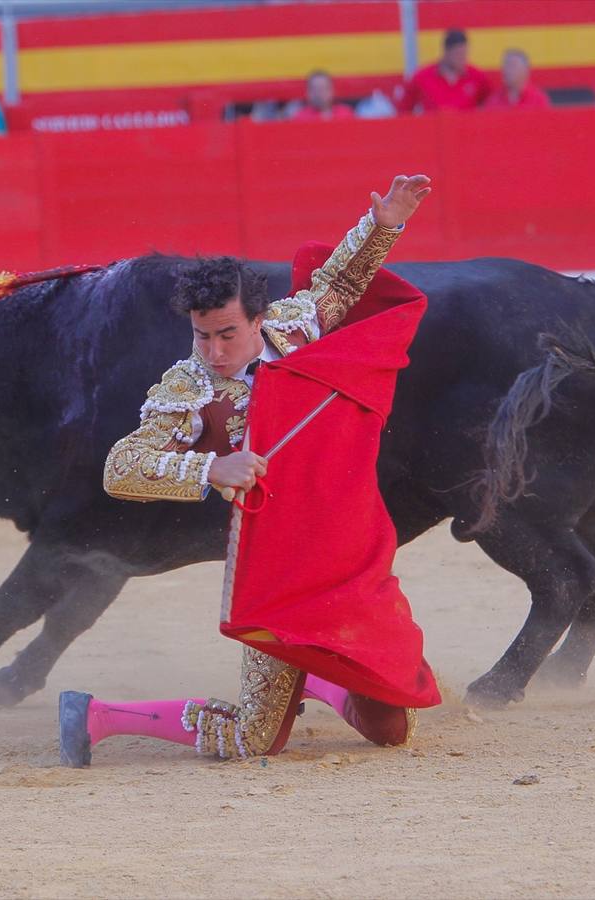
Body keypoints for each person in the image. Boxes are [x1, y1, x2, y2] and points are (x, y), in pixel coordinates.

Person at [58, 175, 442, 767]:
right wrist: (212, 466)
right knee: (253, 740)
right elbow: (121, 468)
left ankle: (314, 679)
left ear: (258, 319)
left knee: (393, 727)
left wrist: (385, 223)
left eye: (227, 334)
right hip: (277, 574)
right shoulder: (186, 389)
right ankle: (97, 715)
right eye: (201, 335)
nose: (213, 351)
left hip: (342, 549)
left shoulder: (292, 328)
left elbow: (339, 281)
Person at [397, 28, 492, 114]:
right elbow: (403, 110)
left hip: (465, 130)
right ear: (446, 52)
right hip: (433, 130)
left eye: (464, 54)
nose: (462, 59)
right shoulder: (422, 77)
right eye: (458, 54)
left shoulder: (477, 77)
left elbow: (492, 106)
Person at [486, 48, 551, 110]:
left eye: (512, 66)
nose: (506, 70)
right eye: (505, 66)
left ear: (525, 70)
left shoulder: (538, 100)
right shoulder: (493, 100)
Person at [289, 70, 354, 122]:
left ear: (332, 91)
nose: (318, 93)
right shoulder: (300, 118)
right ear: (308, 92)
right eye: (314, 89)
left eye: (322, 88)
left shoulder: (345, 114)